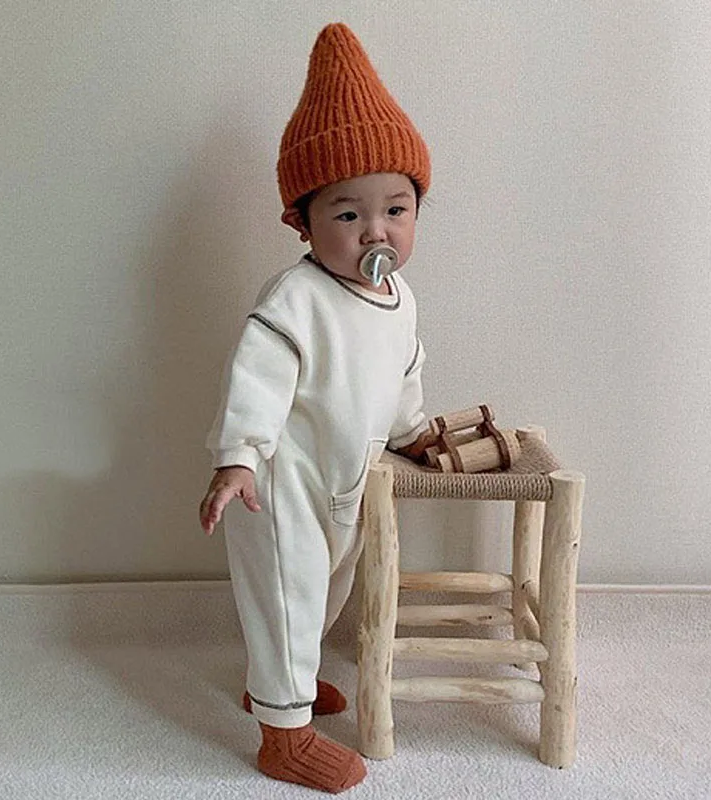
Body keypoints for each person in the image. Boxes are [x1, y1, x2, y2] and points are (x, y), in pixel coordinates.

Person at [199, 22, 435, 794]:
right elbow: (256, 380)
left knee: (328, 592)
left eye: (396, 209)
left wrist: (412, 433)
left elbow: (401, 373)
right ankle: (283, 737)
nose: (377, 231)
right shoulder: (296, 299)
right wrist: (239, 457)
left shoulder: (399, 298)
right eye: (348, 214)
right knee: (289, 597)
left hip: (346, 481)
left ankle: (280, 689)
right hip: (281, 483)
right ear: (302, 222)